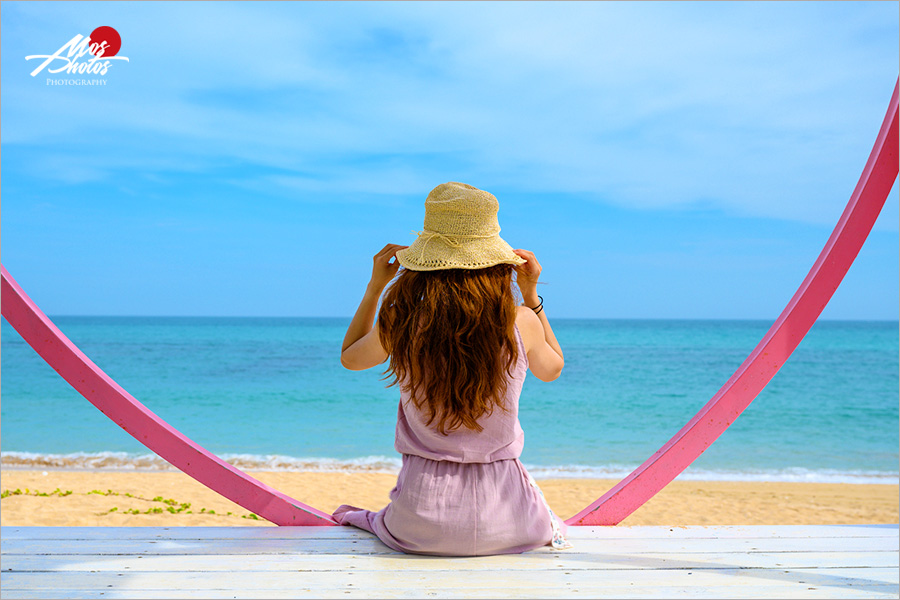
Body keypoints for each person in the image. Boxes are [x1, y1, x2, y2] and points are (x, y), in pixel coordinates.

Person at [336, 182, 570, 556]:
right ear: (496, 263)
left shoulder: (404, 321)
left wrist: (374, 287)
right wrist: (530, 297)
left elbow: (350, 357)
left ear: (424, 263)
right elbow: (553, 369)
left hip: (420, 521)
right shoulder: (521, 321)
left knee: (361, 518)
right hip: (509, 518)